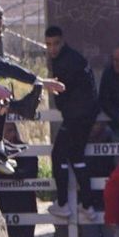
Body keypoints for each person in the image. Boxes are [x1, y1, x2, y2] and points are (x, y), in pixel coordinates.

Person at [44, 25, 99, 222]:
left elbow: (62, 91)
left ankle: (63, 203)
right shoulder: (75, 58)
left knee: (58, 155)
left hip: (76, 116)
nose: (52, 48)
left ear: (63, 41)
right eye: (49, 44)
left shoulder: (64, 62)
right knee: (77, 156)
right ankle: (88, 205)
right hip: (87, 114)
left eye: (56, 43)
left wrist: (64, 106)